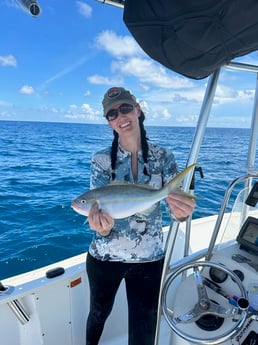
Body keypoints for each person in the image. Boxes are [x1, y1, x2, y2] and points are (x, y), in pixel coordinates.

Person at [86, 87, 196, 345]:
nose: (120, 116)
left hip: (150, 259)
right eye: (112, 114)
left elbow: (175, 209)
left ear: (137, 110)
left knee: (144, 329)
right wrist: (101, 228)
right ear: (109, 122)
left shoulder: (164, 157)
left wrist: (182, 212)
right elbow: (98, 214)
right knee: (97, 317)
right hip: (104, 258)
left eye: (125, 108)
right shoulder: (101, 160)